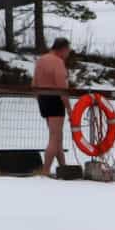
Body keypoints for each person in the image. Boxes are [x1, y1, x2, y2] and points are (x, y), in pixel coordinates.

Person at [31, 36, 74, 176]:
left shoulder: (41, 60)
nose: (68, 55)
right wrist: (68, 108)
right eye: (68, 51)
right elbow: (62, 87)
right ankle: (45, 170)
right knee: (55, 137)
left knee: (57, 137)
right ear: (64, 49)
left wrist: (40, 99)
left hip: (43, 98)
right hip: (55, 99)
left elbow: (34, 84)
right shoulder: (57, 62)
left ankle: (63, 167)